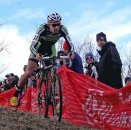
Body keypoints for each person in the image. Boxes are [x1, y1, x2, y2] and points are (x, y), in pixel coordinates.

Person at [10, 12, 74, 107]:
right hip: (38, 49)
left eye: (58, 24)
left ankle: (56, 97)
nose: (57, 27)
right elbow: (32, 45)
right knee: (28, 73)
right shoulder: (42, 29)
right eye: (54, 24)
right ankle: (15, 95)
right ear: (49, 24)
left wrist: (71, 52)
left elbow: (70, 44)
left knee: (53, 72)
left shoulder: (63, 29)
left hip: (50, 49)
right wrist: (36, 53)